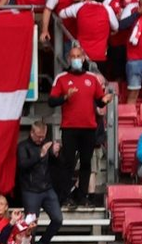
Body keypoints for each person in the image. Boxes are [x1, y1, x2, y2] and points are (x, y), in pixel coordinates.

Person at [48, 46, 111, 209]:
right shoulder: (61, 78)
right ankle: (66, 197)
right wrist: (65, 97)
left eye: (78, 56)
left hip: (88, 128)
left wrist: (106, 99)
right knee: (67, 163)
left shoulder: (92, 78)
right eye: (73, 56)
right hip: (69, 127)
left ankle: (82, 197)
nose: (76, 59)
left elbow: (99, 101)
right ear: (69, 59)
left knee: (86, 164)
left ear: (83, 58)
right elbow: (51, 101)